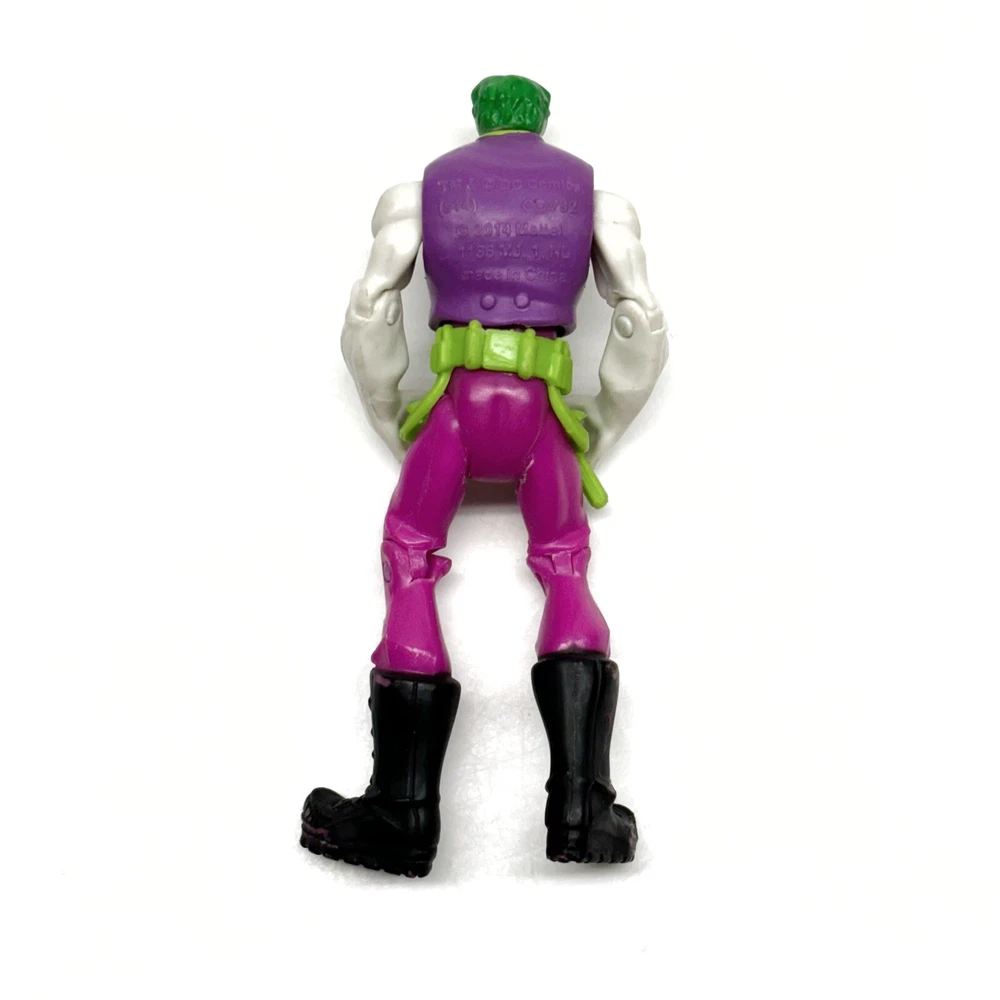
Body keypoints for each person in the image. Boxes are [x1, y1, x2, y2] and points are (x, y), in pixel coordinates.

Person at [301, 75, 667, 876]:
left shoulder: (419, 195)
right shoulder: (597, 202)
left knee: (409, 550)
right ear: (541, 119)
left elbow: (372, 308)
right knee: (565, 562)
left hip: (460, 403)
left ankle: (401, 811)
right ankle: (583, 807)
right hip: (540, 409)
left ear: (479, 119)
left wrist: (388, 410)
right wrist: (602, 422)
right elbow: (640, 319)